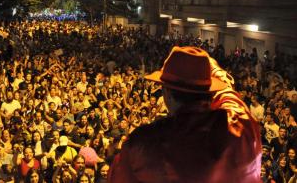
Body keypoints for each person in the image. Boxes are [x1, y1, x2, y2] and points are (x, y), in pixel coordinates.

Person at [108, 46, 262, 183]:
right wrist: (212, 70)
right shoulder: (241, 129)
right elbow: (229, 96)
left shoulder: (143, 144)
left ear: (166, 93)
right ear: (210, 91)